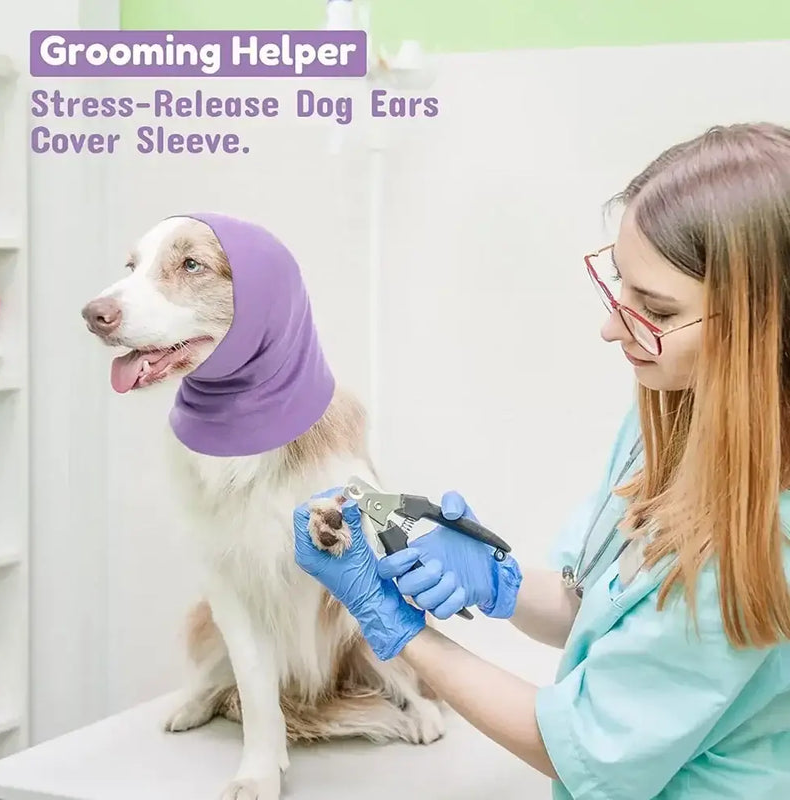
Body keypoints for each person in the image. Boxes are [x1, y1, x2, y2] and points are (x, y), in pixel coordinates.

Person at [293, 121, 790, 799]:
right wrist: (495, 580)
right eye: (619, 286)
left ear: (765, 327)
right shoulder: (673, 412)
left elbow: (582, 746)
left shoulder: (766, 537)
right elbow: (596, 604)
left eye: (655, 308)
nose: (611, 326)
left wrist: (396, 628)